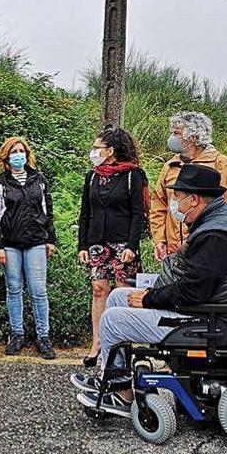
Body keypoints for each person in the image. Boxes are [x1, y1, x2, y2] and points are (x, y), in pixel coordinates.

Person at [72, 164, 227, 417]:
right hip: (207, 309)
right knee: (118, 296)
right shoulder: (222, 220)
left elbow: (194, 292)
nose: (175, 205)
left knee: (112, 320)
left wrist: (150, 299)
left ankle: (120, 394)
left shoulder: (216, 235)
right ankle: (112, 376)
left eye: (178, 198)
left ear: (194, 200)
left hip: (210, 321)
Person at [77, 126, 147, 367]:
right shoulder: (93, 175)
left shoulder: (133, 176)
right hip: (98, 242)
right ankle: (97, 342)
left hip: (123, 243)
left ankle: (122, 345)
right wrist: (83, 244)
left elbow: (139, 214)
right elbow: (85, 211)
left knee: (121, 294)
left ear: (111, 151)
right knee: (98, 290)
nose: (94, 152)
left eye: (98, 148)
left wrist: (132, 246)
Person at [0, 136, 57, 359]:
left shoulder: (39, 179)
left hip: (36, 242)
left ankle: (43, 336)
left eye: (21, 151)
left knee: (38, 291)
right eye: (14, 151)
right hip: (10, 244)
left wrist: (50, 239)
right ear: (6, 156)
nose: (19, 155)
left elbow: (48, 210)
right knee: (14, 289)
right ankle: (17, 334)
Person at [150, 111, 227, 262]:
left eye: (176, 133)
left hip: (205, 250)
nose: (171, 138)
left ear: (193, 138)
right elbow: (158, 205)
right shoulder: (170, 166)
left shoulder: (221, 164)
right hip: (173, 253)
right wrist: (160, 240)